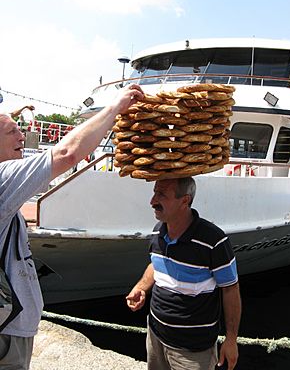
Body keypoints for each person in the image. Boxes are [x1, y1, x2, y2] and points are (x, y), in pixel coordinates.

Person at [0, 84, 144, 369]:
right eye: (11, 132)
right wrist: (115, 108)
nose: (22, 135)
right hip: (6, 332)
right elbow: (67, 153)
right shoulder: (3, 178)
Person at [126, 177, 241, 370]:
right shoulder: (157, 232)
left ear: (185, 200)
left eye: (161, 194)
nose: (152, 201)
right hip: (155, 337)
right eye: (155, 192)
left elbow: (230, 290)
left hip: (193, 351)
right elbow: (157, 264)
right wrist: (141, 287)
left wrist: (231, 340)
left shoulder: (214, 241)